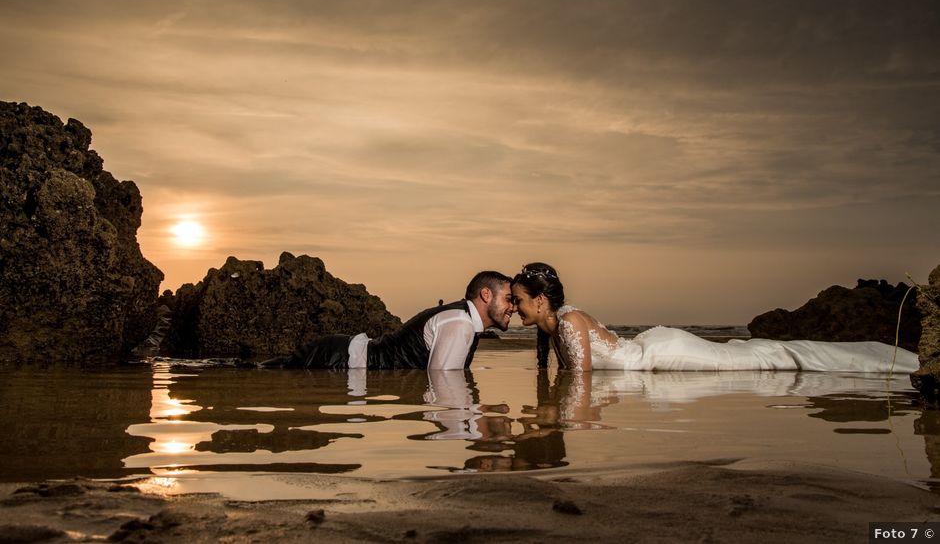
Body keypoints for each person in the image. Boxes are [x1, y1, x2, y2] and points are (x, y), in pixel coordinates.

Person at [510, 262, 920, 373]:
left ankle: (894, 361)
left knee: (756, 358)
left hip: (661, 353)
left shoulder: (567, 321)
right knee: (753, 355)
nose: (515, 308)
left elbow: (579, 384)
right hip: (650, 356)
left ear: (541, 300)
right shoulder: (550, 328)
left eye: (518, 300)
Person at [262, 271, 514, 370]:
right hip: (338, 360)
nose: (513, 307)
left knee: (265, 370)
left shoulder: (464, 320)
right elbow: (443, 383)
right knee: (263, 374)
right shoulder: (460, 324)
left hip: (343, 358)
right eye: (509, 299)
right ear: (486, 294)